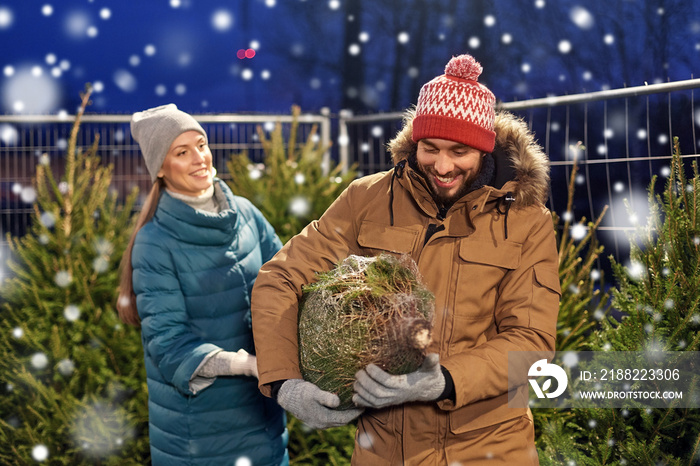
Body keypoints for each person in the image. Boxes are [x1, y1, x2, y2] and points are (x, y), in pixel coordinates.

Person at [251, 54, 560, 464]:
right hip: (381, 449)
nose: (443, 166)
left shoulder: (524, 220)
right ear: (415, 142)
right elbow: (280, 278)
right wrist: (285, 382)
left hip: (486, 449)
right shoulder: (367, 199)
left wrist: (443, 382)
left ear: (484, 151)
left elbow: (531, 341)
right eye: (430, 148)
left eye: (459, 151)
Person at [117, 104, 289, 465]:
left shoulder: (246, 214)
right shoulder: (155, 243)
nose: (200, 158)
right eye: (182, 152)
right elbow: (169, 346)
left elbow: (287, 281)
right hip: (200, 434)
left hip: (264, 419)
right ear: (160, 169)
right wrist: (248, 365)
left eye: (201, 144)